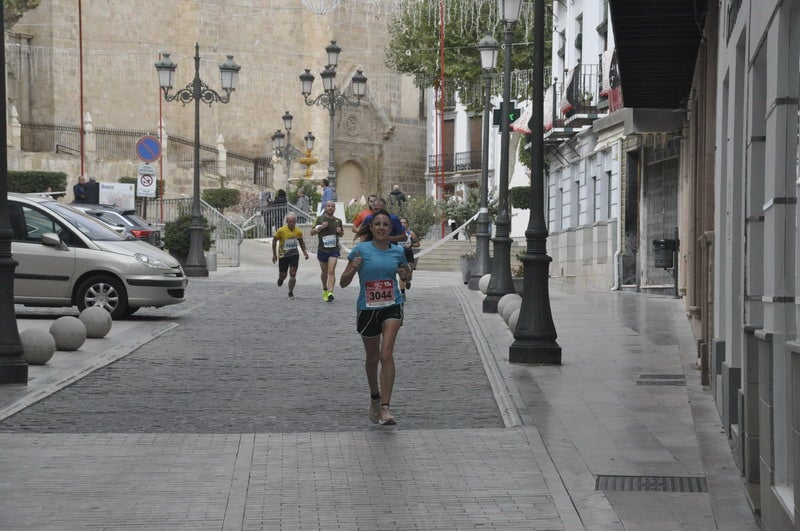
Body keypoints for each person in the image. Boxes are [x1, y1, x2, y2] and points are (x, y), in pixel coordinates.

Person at [340, 209, 411, 425]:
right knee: (372, 358)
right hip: (368, 308)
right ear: (371, 228)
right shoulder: (360, 250)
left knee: (386, 354)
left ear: (391, 229)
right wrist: (352, 269)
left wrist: (404, 275)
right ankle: (375, 397)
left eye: (385, 225)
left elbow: (407, 275)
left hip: (392, 305)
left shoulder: (397, 251)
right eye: (377, 224)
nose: (381, 228)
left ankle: (386, 408)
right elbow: (343, 282)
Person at [311, 200, 344, 302]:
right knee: (324, 272)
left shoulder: (338, 221)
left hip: (333, 250)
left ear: (334, 208)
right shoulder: (319, 219)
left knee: (331, 271)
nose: (331, 208)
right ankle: (325, 289)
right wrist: (320, 228)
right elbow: (311, 232)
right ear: (325, 207)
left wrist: (340, 232)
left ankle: (330, 292)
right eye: (329, 206)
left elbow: (341, 234)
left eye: (332, 206)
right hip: (322, 249)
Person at [271, 212, 308, 299]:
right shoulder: (281, 230)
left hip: (294, 255)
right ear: (287, 221)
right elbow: (274, 241)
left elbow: (301, 242)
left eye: (293, 222)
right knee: (283, 274)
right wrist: (274, 254)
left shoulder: (298, 231)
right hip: (283, 256)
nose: (291, 223)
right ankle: (281, 279)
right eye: (290, 221)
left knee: (293, 272)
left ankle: (291, 292)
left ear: (295, 221)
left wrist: (305, 252)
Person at [398, 217, 420, 293]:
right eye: (401, 223)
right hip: (399, 255)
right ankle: (402, 293)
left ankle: (408, 281)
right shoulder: (396, 233)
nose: (403, 224)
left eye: (405, 223)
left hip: (408, 255)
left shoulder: (411, 233)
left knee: (409, 274)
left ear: (407, 224)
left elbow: (418, 244)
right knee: (402, 274)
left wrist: (411, 245)